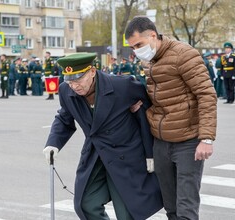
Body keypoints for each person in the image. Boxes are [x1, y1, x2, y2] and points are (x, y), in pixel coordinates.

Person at [43, 53, 163, 220]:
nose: (74, 86)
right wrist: (53, 143)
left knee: (127, 213)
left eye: (78, 80)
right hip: (95, 153)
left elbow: (148, 114)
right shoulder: (65, 90)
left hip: (125, 155)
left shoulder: (123, 86)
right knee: (85, 205)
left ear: (92, 72)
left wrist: (151, 152)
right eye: (70, 81)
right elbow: (64, 118)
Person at [125, 16, 217, 220]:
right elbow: (159, 97)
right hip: (161, 141)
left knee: (186, 206)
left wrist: (206, 138)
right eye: (133, 47)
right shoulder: (149, 62)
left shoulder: (184, 54)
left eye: (138, 44)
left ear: (152, 35)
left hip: (188, 141)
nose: (136, 51)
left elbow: (207, 94)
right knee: (170, 206)